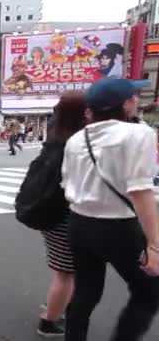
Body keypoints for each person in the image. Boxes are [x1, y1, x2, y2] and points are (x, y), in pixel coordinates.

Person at [62, 78, 159, 341]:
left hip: (79, 223)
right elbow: (140, 191)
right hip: (118, 227)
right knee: (149, 291)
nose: (137, 100)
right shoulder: (139, 134)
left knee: (87, 289)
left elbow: (67, 183)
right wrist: (154, 244)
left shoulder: (77, 139)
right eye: (134, 96)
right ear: (125, 103)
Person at [34, 93, 87, 337]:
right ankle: (49, 321)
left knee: (61, 270)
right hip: (66, 216)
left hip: (50, 214)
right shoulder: (75, 143)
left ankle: (55, 306)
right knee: (66, 274)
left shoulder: (55, 138)